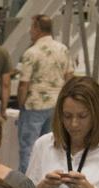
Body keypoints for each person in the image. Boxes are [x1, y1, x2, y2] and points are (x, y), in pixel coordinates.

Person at [16, 15, 73, 173]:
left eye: (31, 28)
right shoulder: (63, 50)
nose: (30, 31)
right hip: (57, 106)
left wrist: (21, 105)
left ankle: (26, 186)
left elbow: (23, 84)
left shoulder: (31, 53)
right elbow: (69, 78)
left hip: (34, 105)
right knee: (52, 148)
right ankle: (49, 180)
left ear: (37, 29)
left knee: (29, 148)